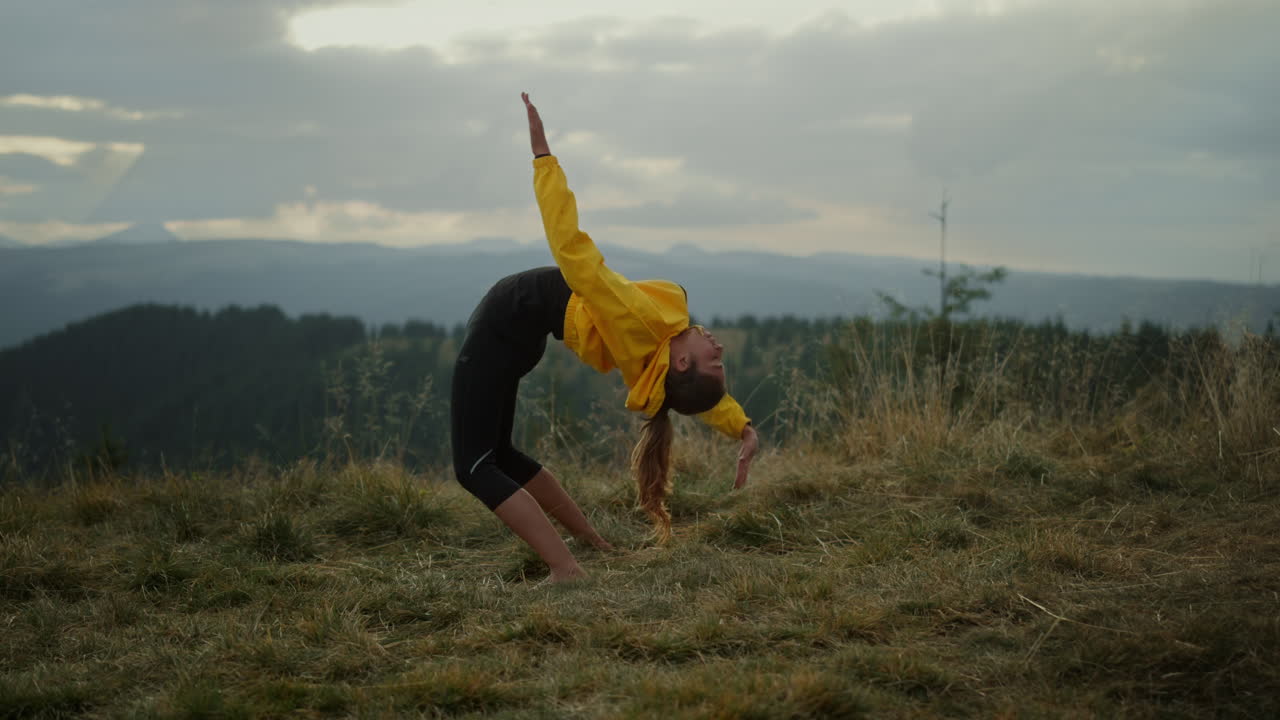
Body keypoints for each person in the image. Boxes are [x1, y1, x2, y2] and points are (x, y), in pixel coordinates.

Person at [449, 92, 760, 583]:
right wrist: (741, 426)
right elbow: (698, 398)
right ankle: (590, 543)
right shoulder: (658, 364)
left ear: (683, 364)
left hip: (509, 315)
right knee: (500, 454)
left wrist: (543, 160)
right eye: (720, 359)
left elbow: (574, 252)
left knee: (474, 466)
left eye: (715, 360)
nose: (719, 349)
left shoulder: (643, 326)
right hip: (524, 331)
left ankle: (565, 567)